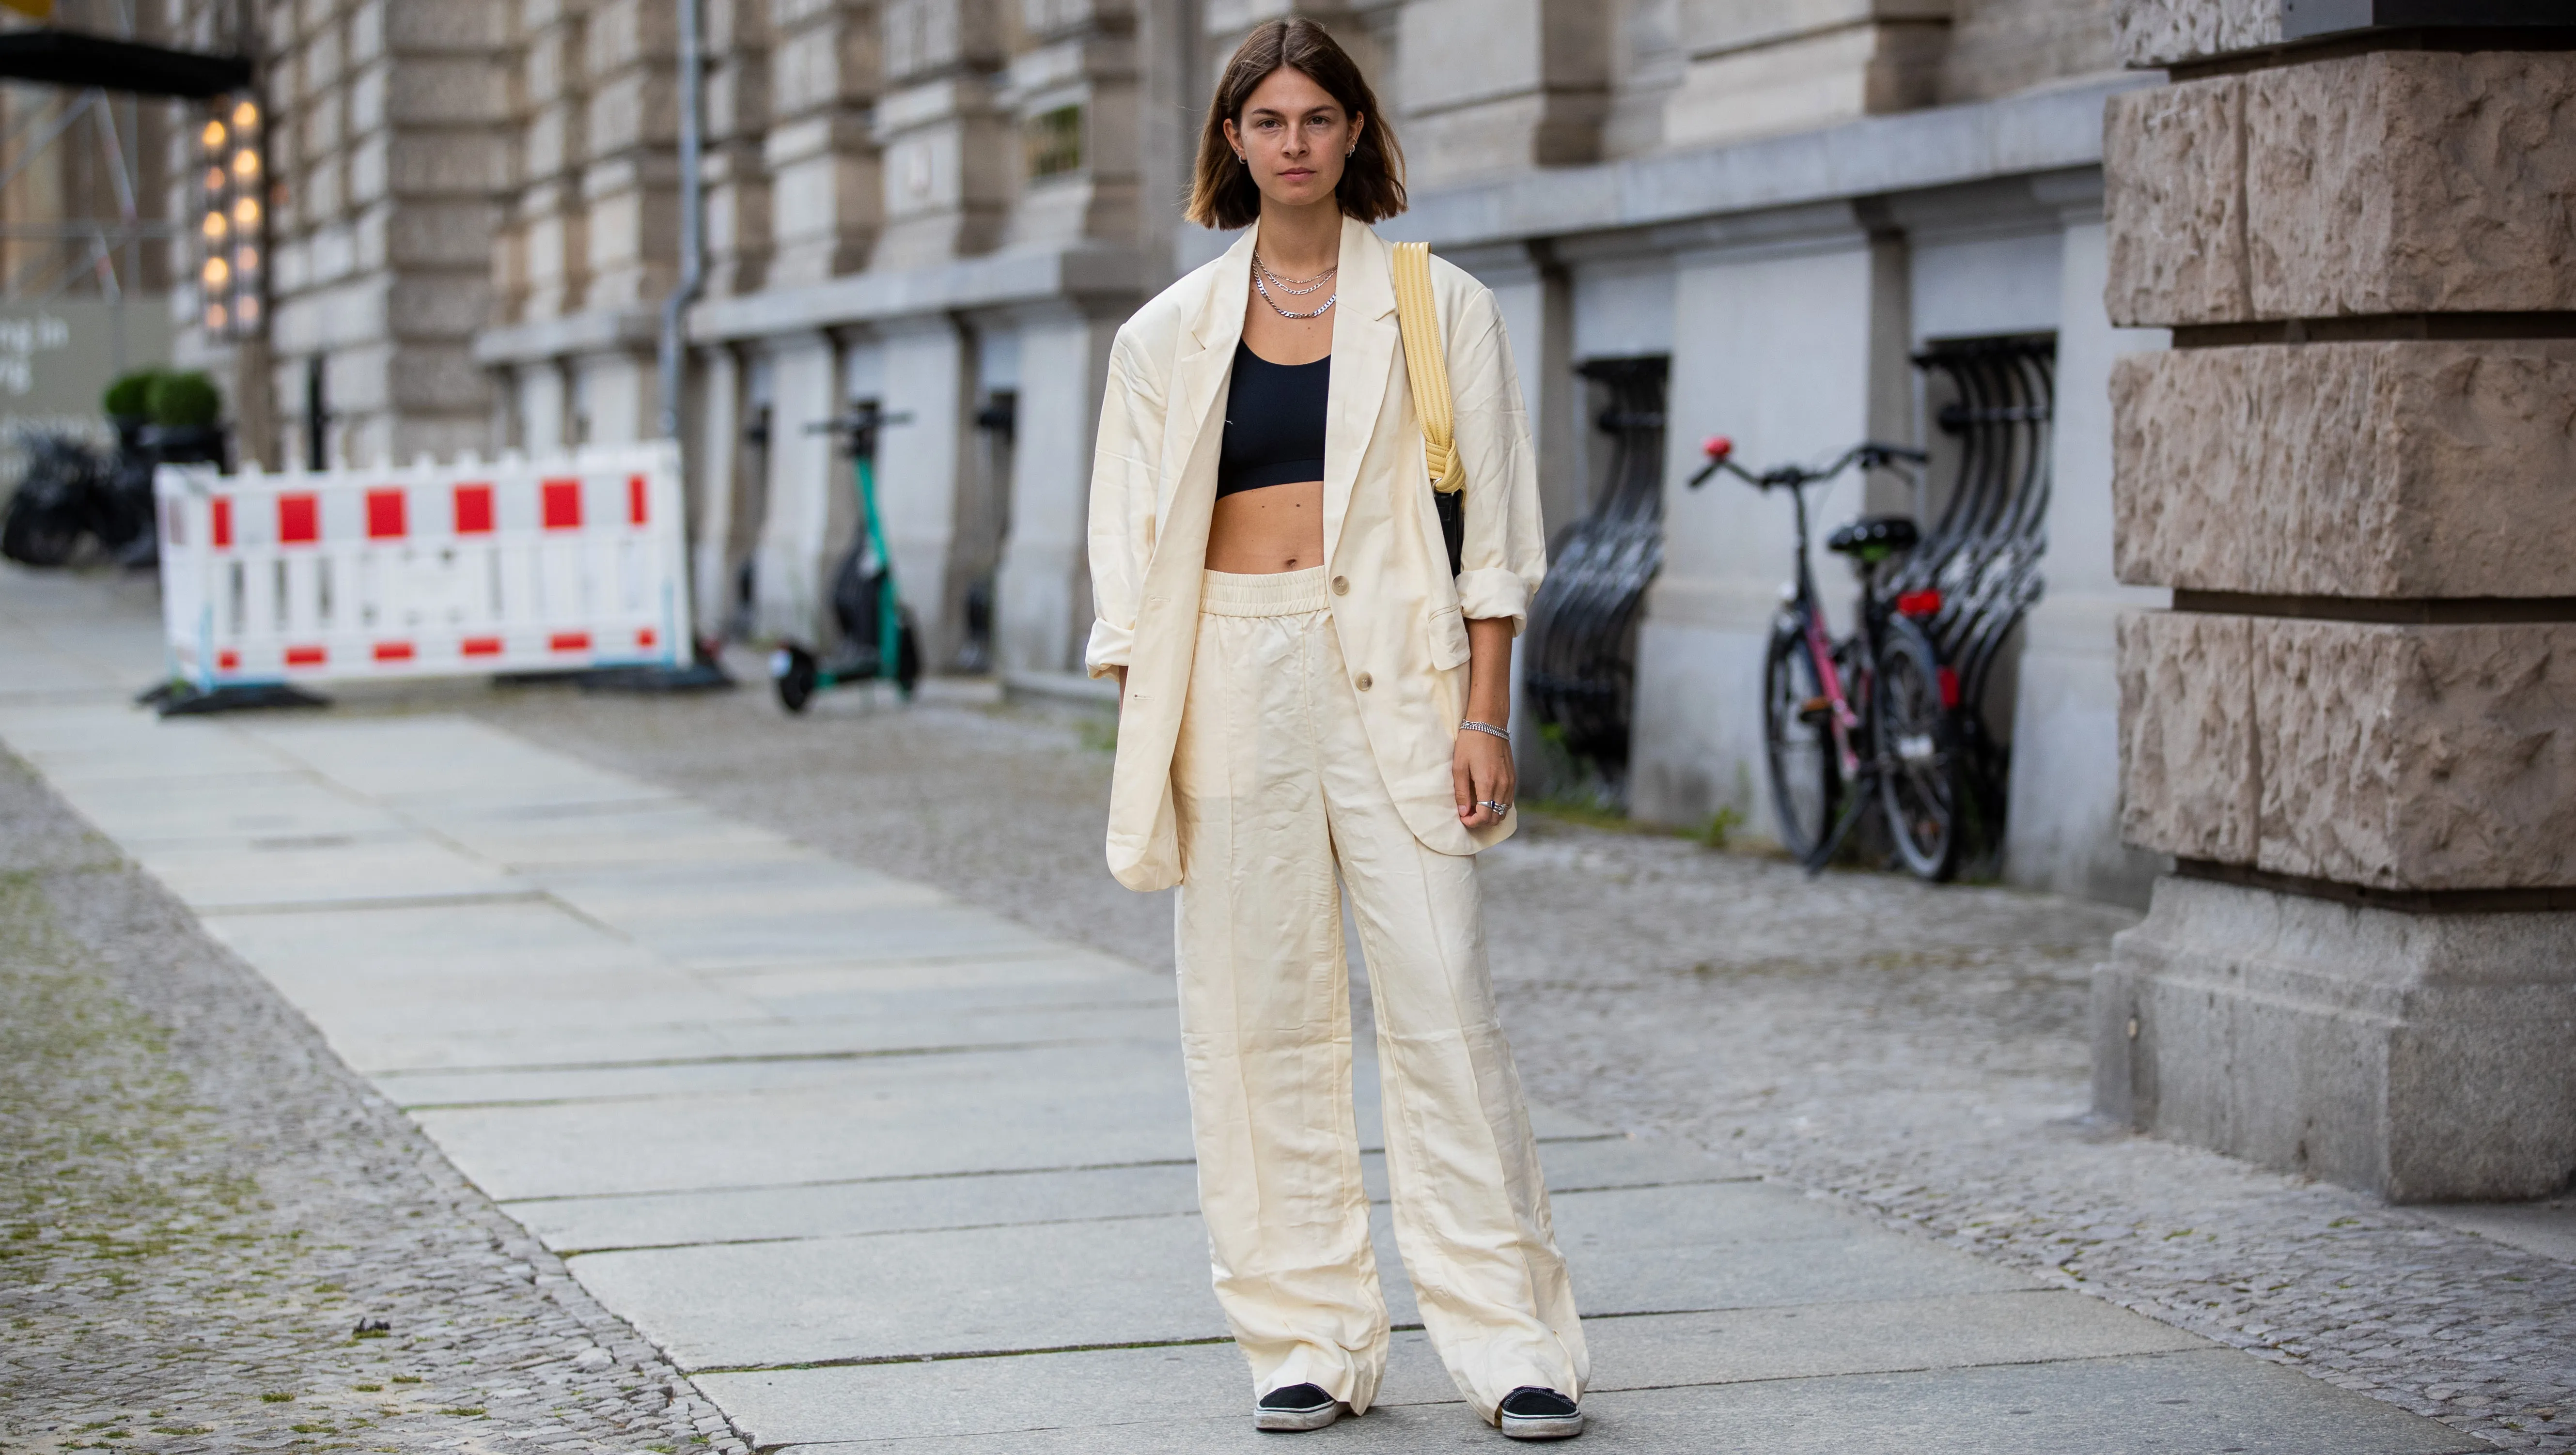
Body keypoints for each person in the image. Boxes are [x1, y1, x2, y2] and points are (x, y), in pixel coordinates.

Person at [1082, 15, 1587, 1442]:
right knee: (1254, 1021)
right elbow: (1127, 552)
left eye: (1317, 117)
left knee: (1443, 1002)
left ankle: (1510, 1344)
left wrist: (1485, 710)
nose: (1293, 142)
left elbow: (1497, 535)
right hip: (1229, 673)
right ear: (1229, 142)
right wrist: (1153, 710)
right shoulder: (1163, 335)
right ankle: (1299, 1338)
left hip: (1401, 673)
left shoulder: (1440, 308)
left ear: (1355, 133)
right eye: (1267, 121)